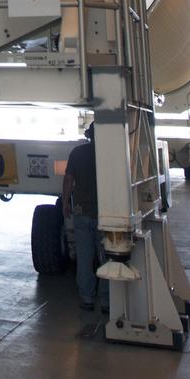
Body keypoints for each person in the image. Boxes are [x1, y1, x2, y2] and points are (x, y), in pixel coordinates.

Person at [62, 123, 109, 311]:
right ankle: (106, 300)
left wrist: (65, 203)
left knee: (84, 257)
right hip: (105, 213)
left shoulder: (77, 152)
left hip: (81, 212)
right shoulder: (109, 154)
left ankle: (87, 298)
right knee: (107, 258)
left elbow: (68, 180)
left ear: (89, 135)